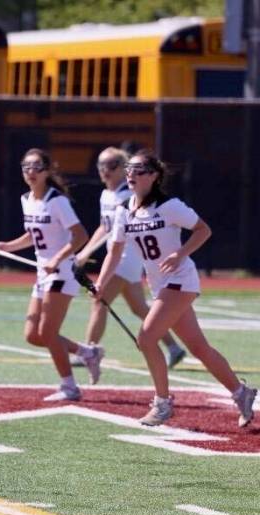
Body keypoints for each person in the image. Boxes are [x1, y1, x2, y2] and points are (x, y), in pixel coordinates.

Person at [95, 150, 255, 427]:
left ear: (154, 176)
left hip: (181, 279)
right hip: (159, 285)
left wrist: (180, 254)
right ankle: (242, 393)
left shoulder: (169, 206)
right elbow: (114, 251)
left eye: (139, 170)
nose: (131, 174)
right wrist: (100, 283)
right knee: (199, 348)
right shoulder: (124, 211)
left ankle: (163, 403)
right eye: (128, 169)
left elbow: (203, 230)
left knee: (145, 337)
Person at [0, 148, 103, 401]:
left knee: (48, 333)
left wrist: (57, 258)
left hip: (62, 272)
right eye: (26, 167)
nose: (30, 172)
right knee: (33, 335)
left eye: (36, 167)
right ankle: (87, 352)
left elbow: (80, 235)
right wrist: (6, 246)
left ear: (48, 171)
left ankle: (70, 387)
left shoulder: (57, 201)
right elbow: (33, 235)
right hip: (43, 273)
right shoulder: (26, 199)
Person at [74, 147, 186, 368]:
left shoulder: (128, 196)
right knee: (139, 307)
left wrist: (84, 254)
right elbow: (104, 227)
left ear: (122, 168)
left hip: (128, 257)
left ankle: (88, 350)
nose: (104, 170)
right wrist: (85, 251)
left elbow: (114, 233)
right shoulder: (106, 194)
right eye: (101, 165)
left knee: (99, 301)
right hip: (121, 259)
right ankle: (174, 347)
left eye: (112, 165)